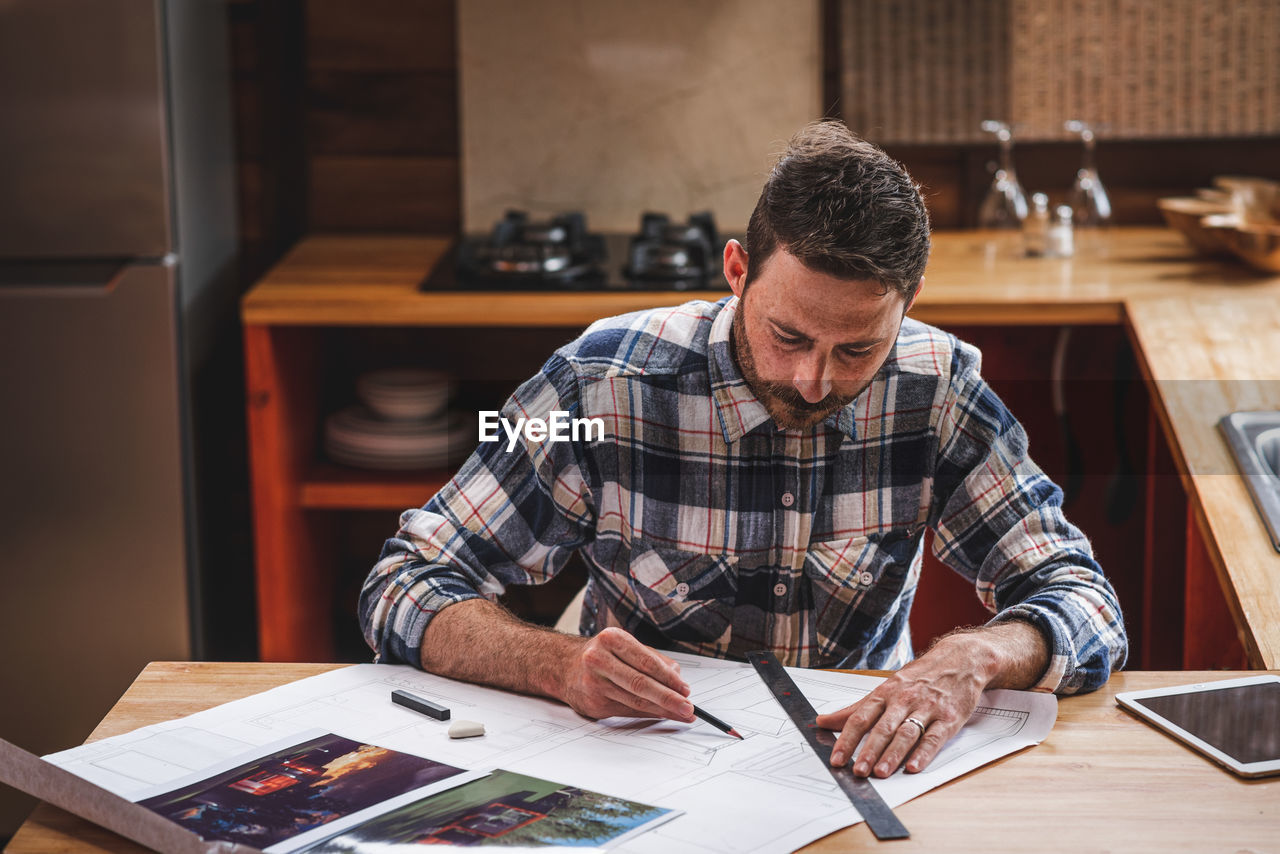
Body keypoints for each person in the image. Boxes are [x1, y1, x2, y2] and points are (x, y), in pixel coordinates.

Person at [360, 121, 1127, 781]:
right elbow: (404, 582)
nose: (814, 381)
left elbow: (1085, 600)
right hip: (635, 761)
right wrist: (555, 663)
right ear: (736, 272)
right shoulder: (599, 385)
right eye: (787, 335)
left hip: (849, 763)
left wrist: (972, 661)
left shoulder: (940, 391)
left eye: (858, 348)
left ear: (910, 302)